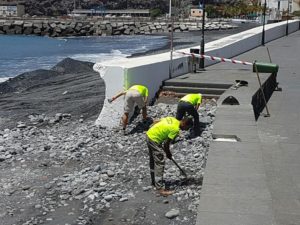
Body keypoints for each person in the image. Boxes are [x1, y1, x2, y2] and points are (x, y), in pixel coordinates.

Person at [146, 117, 193, 196]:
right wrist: (168, 153)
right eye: (187, 128)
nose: (185, 130)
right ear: (184, 124)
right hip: (154, 139)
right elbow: (166, 144)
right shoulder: (175, 129)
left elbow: (158, 121)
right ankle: (160, 189)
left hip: (150, 134)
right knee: (160, 162)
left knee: (153, 160)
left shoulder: (173, 119)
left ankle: (154, 181)